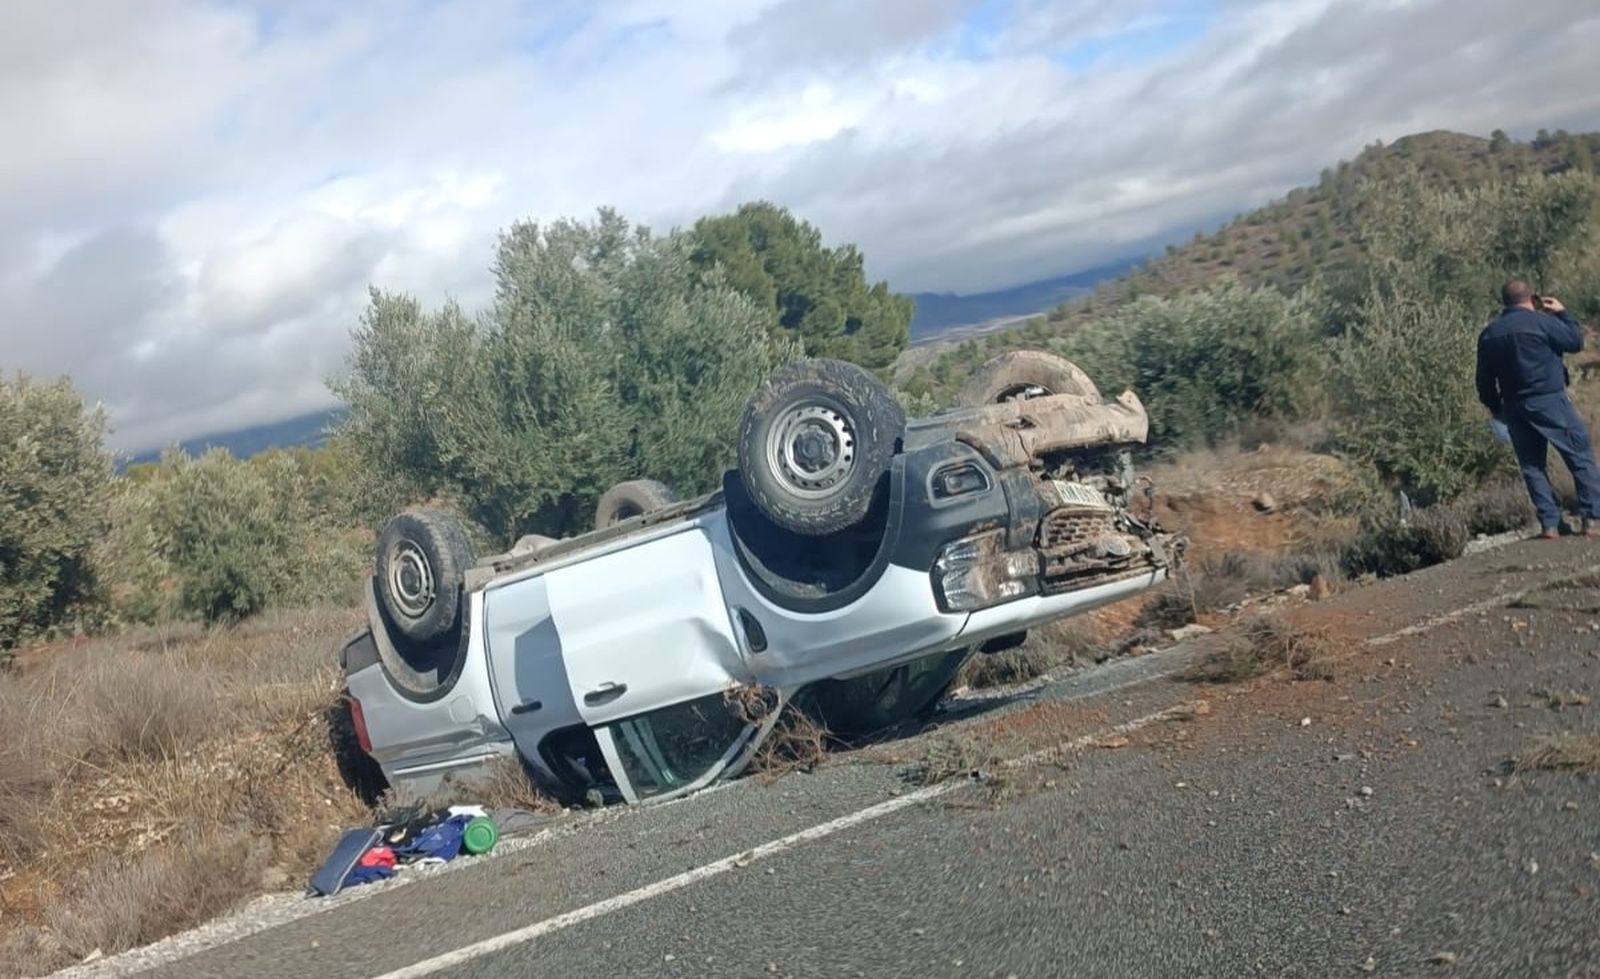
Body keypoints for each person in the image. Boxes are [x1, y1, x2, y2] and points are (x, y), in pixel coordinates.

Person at [1475, 279, 1600, 538]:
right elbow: (1575, 342)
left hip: (1514, 406)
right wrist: (1563, 313)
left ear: (1504, 302)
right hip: (1550, 400)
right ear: (1532, 298)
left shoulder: (1490, 334)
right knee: (1579, 456)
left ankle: (1550, 524)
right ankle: (1592, 519)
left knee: (1532, 466)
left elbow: (1484, 380)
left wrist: (1496, 408)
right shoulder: (1544, 323)